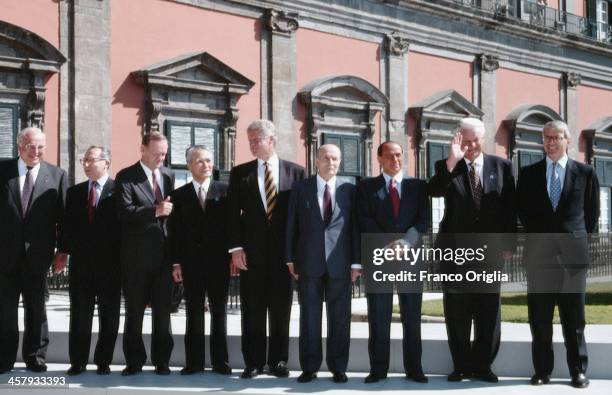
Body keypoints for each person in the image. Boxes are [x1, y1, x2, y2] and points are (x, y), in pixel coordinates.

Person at [427, 118, 517, 382]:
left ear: (483, 138)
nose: (470, 145)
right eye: (465, 141)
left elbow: (509, 209)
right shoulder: (447, 167)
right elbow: (433, 191)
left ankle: (483, 366)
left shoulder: (503, 167)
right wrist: (451, 163)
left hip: (491, 252)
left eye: (475, 140)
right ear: (458, 140)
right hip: (454, 253)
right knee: (457, 311)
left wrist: (509, 244)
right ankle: (461, 366)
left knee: (488, 311)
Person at [517, 120, 599, 389]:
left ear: (567, 140)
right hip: (539, 257)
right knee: (539, 317)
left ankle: (578, 371)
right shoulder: (529, 173)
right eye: (546, 138)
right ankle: (542, 371)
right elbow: (524, 213)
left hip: (573, 257)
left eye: (556, 137)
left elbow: (592, 215)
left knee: (574, 319)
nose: (550, 142)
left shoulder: (586, 173)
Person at [227, 119, 306, 378]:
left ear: (271, 141)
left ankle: (278, 362)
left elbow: (301, 219)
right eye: (249, 140)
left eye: (256, 140)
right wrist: (236, 249)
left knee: (281, 310)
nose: (251, 144)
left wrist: (296, 255)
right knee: (252, 310)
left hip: (284, 258)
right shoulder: (240, 173)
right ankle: (253, 362)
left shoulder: (297, 173)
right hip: (251, 255)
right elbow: (233, 215)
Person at [285, 144, 361, 383]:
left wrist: (357, 262)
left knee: (340, 318)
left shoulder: (350, 190)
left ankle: (338, 367)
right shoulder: (301, 188)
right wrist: (289, 258)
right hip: (308, 263)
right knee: (309, 317)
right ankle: (309, 366)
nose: (331, 162)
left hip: (341, 263)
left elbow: (355, 228)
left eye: (336, 159)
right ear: (316, 160)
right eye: (326, 158)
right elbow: (291, 226)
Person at [356, 141, 430, 384]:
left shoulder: (418, 186)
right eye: (389, 156)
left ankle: (415, 368)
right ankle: (378, 369)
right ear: (379, 158)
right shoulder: (366, 187)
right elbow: (364, 220)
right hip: (380, 259)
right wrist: (387, 245)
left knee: (411, 316)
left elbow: (423, 221)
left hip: (410, 259)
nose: (395, 159)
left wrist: (405, 243)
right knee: (378, 316)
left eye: (399, 155)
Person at [0, 127, 67, 374]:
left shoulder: (57, 175)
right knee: (5, 311)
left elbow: (63, 217)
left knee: (37, 310)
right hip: (4, 256)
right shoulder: (2, 170)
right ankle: (4, 358)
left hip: (38, 256)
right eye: (30, 146)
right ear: (19, 147)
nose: (36, 152)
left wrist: (63, 251)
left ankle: (35, 357)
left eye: (40, 147)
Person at [115, 132, 175, 376]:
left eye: (164, 153)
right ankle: (134, 362)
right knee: (135, 313)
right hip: (136, 259)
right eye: (156, 153)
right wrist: (155, 211)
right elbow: (124, 213)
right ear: (142, 150)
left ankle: (162, 361)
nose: (161, 157)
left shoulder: (169, 176)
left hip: (164, 258)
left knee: (163, 314)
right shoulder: (126, 176)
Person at [58, 146, 121, 376]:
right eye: (83, 160)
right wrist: (63, 251)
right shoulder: (75, 192)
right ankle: (78, 361)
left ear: (106, 162)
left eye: (90, 160)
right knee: (79, 314)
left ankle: (103, 361)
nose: (85, 164)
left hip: (111, 265)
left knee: (109, 314)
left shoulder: (119, 190)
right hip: (81, 264)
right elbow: (66, 227)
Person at [169, 146, 231, 376]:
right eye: (200, 161)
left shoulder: (225, 191)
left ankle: (220, 362)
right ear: (189, 165)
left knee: (219, 312)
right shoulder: (179, 195)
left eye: (208, 160)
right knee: (193, 311)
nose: (206, 165)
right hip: (191, 263)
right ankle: (194, 362)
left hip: (219, 263)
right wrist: (176, 263)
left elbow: (232, 228)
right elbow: (174, 233)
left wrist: (234, 255)